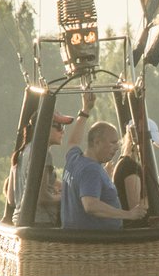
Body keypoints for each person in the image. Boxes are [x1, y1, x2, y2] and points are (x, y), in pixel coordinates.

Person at [61, 93, 148, 230]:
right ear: (97, 142)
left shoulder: (75, 158)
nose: (116, 147)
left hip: (78, 237)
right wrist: (128, 214)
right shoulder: (91, 170)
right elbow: (90, 205)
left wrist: (85, 111)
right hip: (96, 242)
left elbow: (73, 141)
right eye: (112, 143)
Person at [5, 111, 73, 226]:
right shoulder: (43, 154)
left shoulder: (21, 153)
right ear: (44, 128)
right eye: (58, 126)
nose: (63, 131)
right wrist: (67, 195)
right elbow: (43, 198)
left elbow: (11, 199)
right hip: (40, 222)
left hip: (19, 220)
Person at [108, 123, 159, 228]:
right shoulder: (130, 167)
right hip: (135, 233)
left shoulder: (126, 164)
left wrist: (157, 185)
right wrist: (157, 188)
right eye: (150, 143)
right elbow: (136, 210)